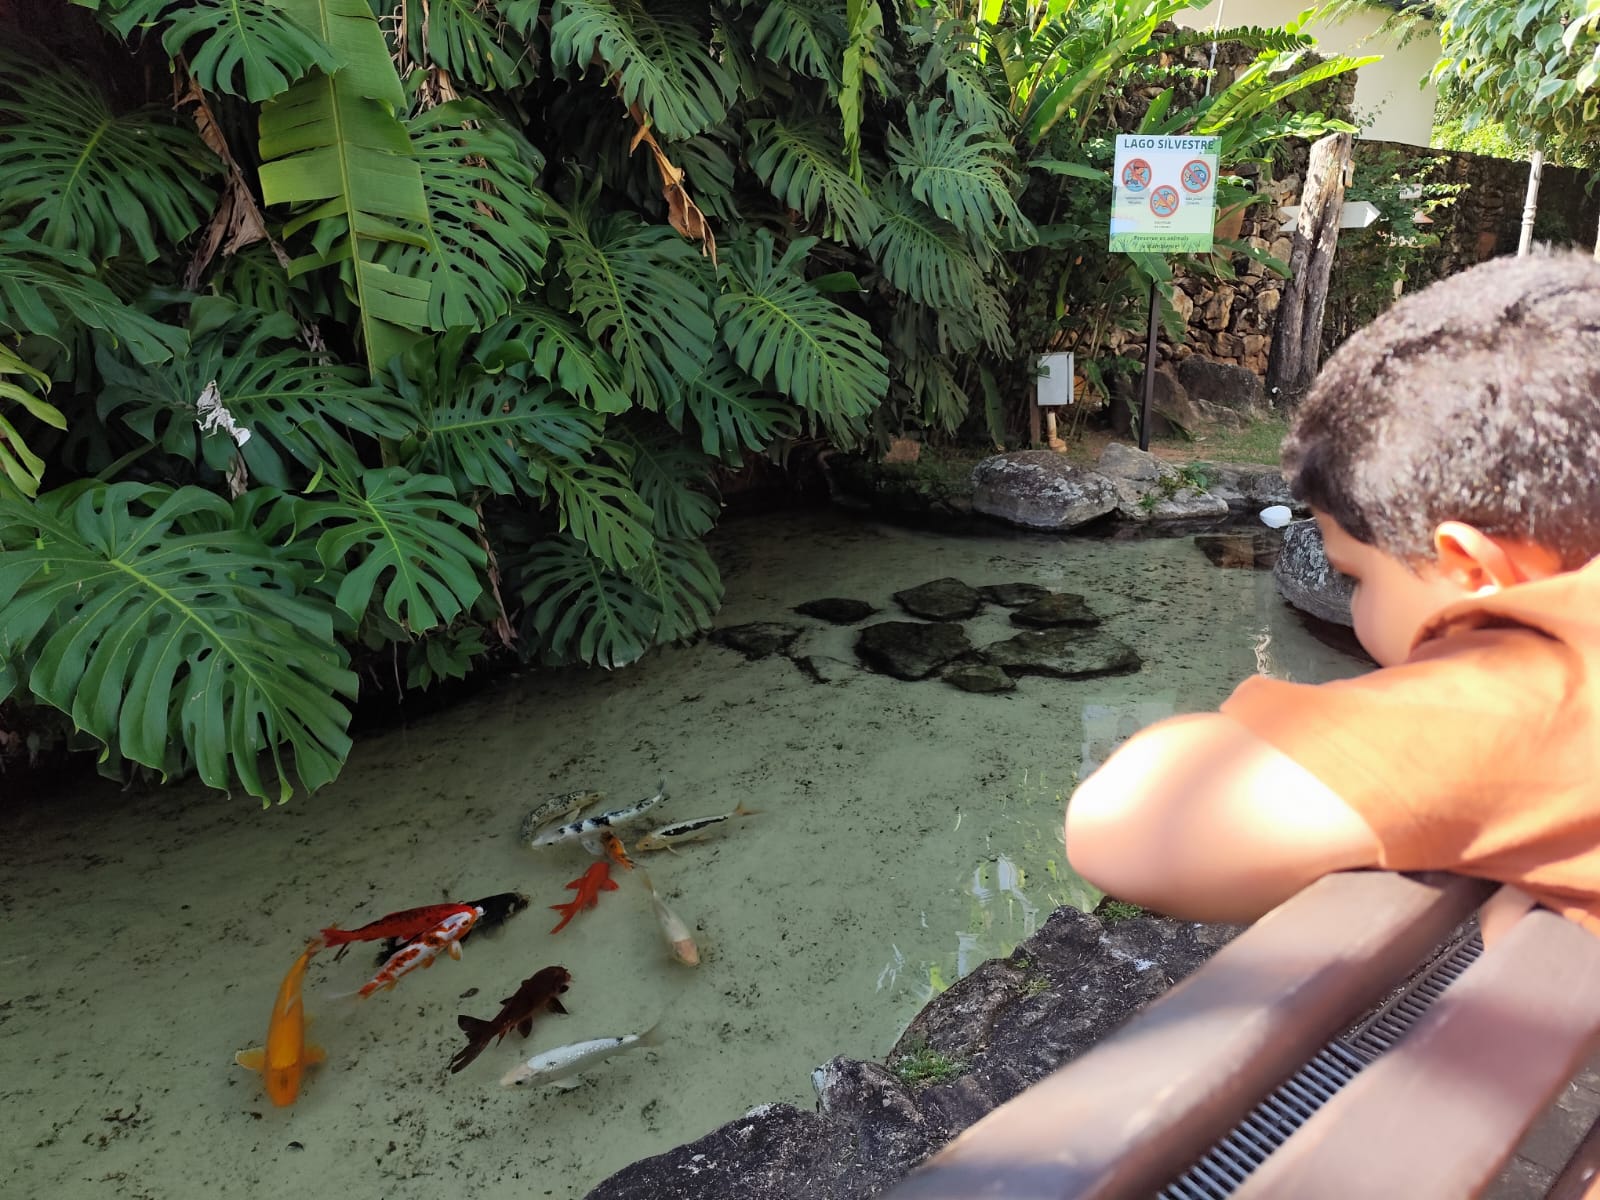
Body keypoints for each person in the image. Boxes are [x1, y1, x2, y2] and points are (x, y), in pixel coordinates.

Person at [1064, 250, 1600, 943]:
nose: (1357, 610)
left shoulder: (1530, 695)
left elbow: (1117, 823)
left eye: (1359, 580)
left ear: (1470, 568)